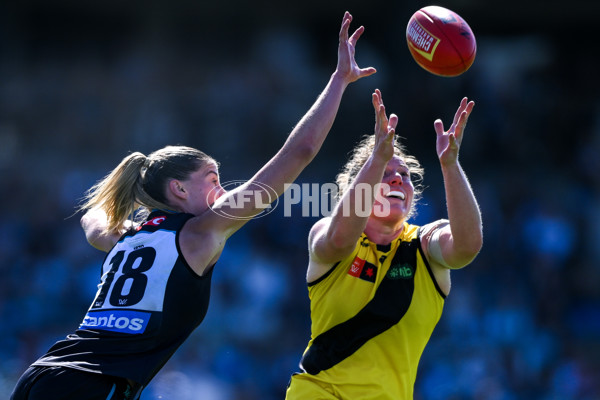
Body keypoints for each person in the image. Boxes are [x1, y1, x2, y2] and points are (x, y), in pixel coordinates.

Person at [10, 12, 376, 400]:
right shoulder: (201, 232)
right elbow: (299, 151)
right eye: (213, 179)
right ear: (178, 190)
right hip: (90, 387)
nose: (222, 191)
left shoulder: (126, 238)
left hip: (42, 376)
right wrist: (338, 81)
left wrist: (122, 213)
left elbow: (91, 219)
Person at [285, 90, 483, 399]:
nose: (397, 181)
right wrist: (377, 157)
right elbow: (338, 240)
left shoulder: (424, 245)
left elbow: (468, 246)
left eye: (404, 176)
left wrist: (450, 165)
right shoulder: (328, 232)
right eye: (385, 174)